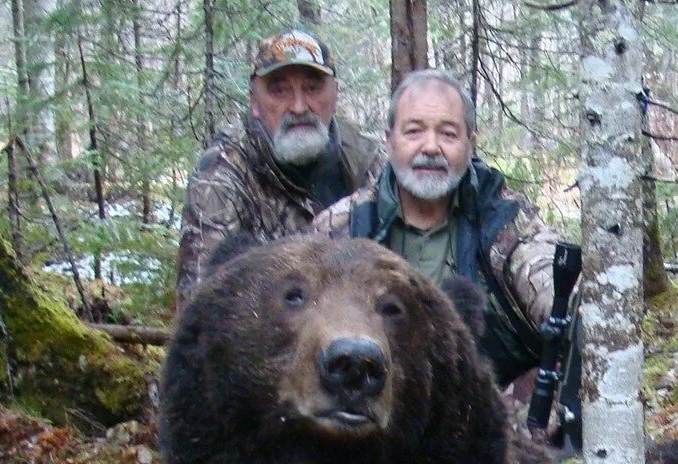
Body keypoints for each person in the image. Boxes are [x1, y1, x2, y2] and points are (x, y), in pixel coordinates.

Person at [314, 68, 564, 392]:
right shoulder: (342, 228)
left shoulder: (503, 218)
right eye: (414, 132)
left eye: (448, 134)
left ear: (470, 144)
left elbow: (553, 283)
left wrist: (570, 305)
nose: (431, 147)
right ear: (389, 141)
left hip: (486, 412)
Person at [175, 29, 382, 305]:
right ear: (254, 103)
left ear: (335, 94)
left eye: (312, 88)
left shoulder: (369, 161)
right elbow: (200, 309)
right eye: (279, 90)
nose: (298, 107)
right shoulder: (222, 174)